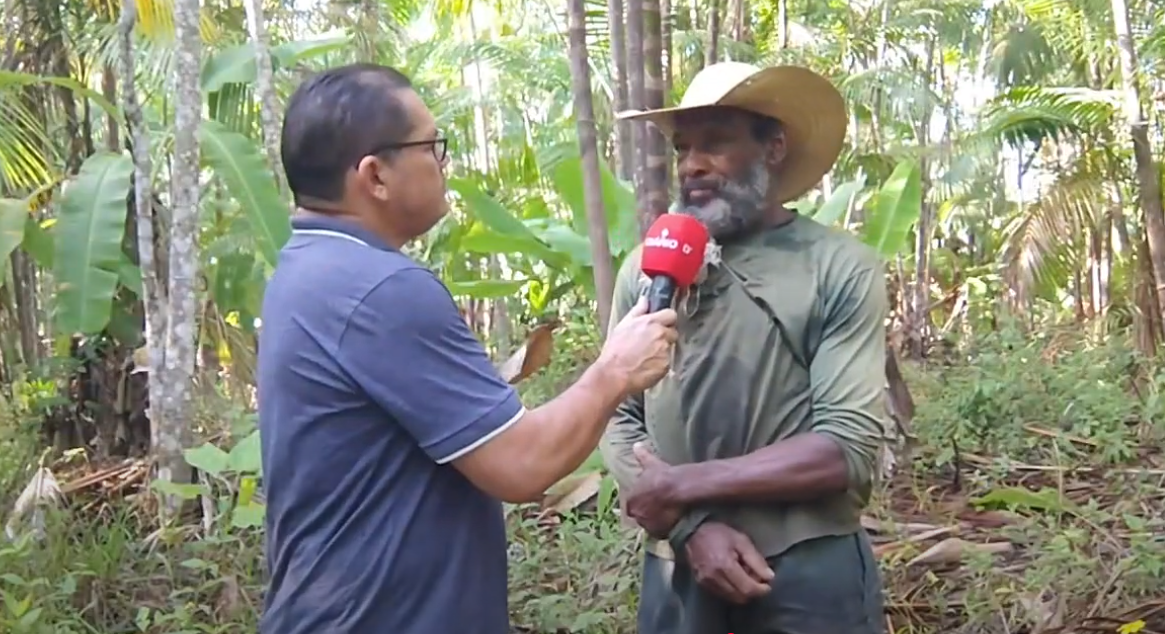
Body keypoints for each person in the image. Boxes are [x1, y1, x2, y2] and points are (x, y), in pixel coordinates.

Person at [255, 62, 679, 634]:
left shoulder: (307, 268)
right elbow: (522, 464)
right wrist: (614, 371)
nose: (443, 163)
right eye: (431, 147)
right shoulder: (380, 288)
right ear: (375, 175)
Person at [599, 61, 891, 634]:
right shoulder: (647, 270)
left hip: (805, 566)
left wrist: (682, 486)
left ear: (773, 147)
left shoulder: (837, 266)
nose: (692, 165)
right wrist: (690, 528)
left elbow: (846, 446)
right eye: (683, 148)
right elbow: (618, 414)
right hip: (678, 565)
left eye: (715, 143)